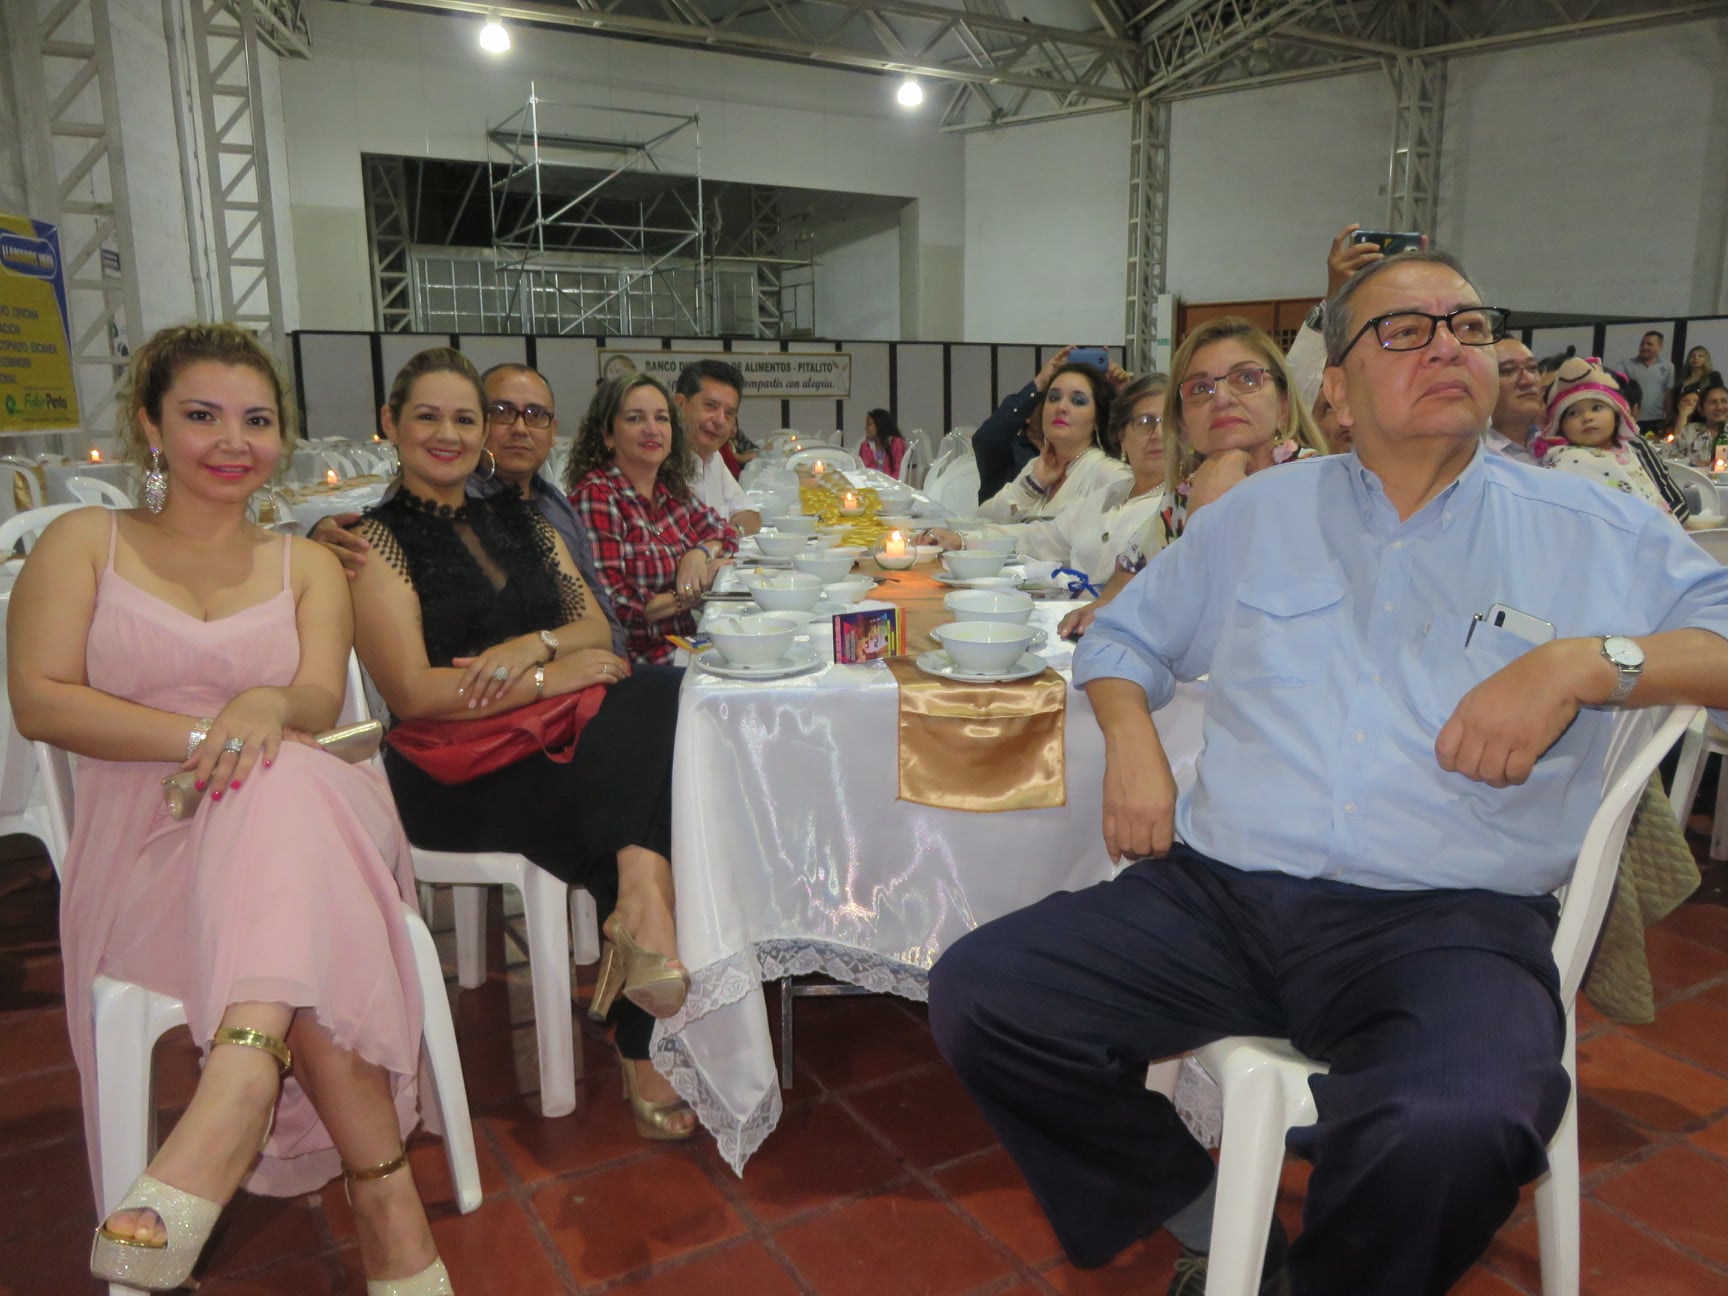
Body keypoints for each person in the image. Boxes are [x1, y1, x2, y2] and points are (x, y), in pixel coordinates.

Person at [928, 250, 1728, 1296]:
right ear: (1337, 393)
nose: (1447, 345)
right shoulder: (1260, 515)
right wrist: (1132, 742)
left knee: (1459, 1119)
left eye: (1468, 325)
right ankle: (1219, 1228)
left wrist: (1586, 662)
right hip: (1221, 897)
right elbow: (1124, 637)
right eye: (1404, 330)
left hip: (1448, 920)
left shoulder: (1588, 527)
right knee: (987, 996)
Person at [8, 324, 449, 1294]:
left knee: (281, 795)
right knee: (303, 910)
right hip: (150, 848)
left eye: (256, 420)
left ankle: (237, 1089)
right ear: (150, 425)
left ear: (281, 437)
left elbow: (316, 701)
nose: (232, 441)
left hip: (301, 819)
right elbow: (41, 701)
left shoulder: (305, 565)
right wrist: (218, 731)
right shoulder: (86, 543)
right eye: (202, 415)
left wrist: (266, 709)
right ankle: (390, 1212)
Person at [349, 348, 695, 1142]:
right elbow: (415, 693)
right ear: (390, 424)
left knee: (667, 698)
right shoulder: (374, 542)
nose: (449, 434)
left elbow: (591, 626)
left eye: (464, 418)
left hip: (545, 746)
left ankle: (639, 916)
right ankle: (642, 959)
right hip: (451, 775)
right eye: (428, 417)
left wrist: (534, 645)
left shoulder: (522, 521)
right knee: (653, 794)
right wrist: (550, 678)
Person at [312, 363, 629, 660]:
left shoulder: (551, 503)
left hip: (590, 675)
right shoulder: (441, 508)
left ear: (552, 428)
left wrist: (612, 668)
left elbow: (598, 617)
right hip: (503, 687)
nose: (520, 428)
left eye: (535, 414)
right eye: (503, 412)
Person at [924, 375, 1169, 587]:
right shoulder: (1110, 494)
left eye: (1078, 401)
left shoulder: (1162, 500)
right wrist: (962, 539)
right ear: (1121, 436)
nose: (1158, 434)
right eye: (1145, 422)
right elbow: (1031, 536)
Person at [568, 373, 739, 665]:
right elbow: (613, 604)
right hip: (639, 663)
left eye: (661, 419)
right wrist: (689, 594)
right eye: (635, 419)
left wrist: (700, 553)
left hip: (684, 646)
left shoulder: (669, 488)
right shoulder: (597, 496)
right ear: (608, 435)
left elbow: (726, 532)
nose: (652, 429)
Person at [1531, 356, 1690, 521]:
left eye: (1597, 408)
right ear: (1560, 426)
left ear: (1617, 416)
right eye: (1573, 413)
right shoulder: (1567, 460)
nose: (1587, 417)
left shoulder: (1627, 449)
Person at [972, 347, 1132, 503]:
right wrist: (1039, 383)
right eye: (1053, 397)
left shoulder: (1107, 471)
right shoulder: (1031, 465)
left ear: (1097, 417)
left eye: (1077, 401)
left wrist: (1126, 400)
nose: (1061, 407)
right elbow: (986, 439)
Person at [673, 359, 760, 535]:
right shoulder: (660, 464)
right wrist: (723, 538)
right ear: (680, 404)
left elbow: (751, 516)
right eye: (710, 406)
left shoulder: (713, 458)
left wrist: (732, 532)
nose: (720, 420)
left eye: (729, 413)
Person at [1485, 337, 1543, 463]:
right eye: (1508, 370)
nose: (1528, 380)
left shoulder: (1556, 446)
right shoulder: (1476, 458)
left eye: (1532, 367)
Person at [1621, 330, 1674, 434]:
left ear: (1660, 347)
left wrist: (1668, 419)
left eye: (1649, 344)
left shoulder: (1668, 366)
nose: (1644, 347)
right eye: (1642, 344)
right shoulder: (1626, 365)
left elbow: (1669, 394)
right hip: (1632, 418)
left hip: (1657, 420)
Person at [1672, 381, 1728, 469]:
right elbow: (1673, 459)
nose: (1719, 407)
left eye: (1724, 401)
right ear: (1701, 409)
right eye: (1713, 402)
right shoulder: (1689, 431)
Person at [858, 408, 908, 478]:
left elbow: (898, 472)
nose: (865, 428)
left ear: (880, 425)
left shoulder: (896, 443)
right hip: (870, 482)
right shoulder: (865, 446)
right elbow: (863, 470)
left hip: (891, 482)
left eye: (869, 424)